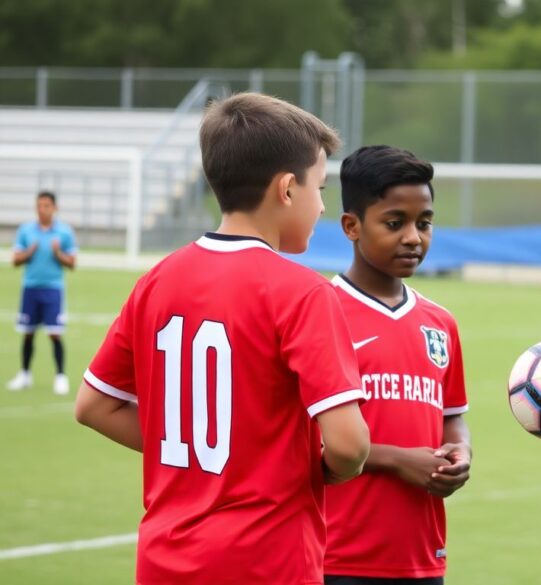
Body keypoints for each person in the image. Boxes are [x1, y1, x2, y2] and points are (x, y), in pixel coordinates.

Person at [73, 93, 371, 584]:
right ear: (287, 189)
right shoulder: (303, 292)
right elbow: (348, 444)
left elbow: (93, 406)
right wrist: (325, 468)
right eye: (320, 186)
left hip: (164, 562)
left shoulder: (157, 280)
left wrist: (197, 454)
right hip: (266, 562)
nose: (322, 206)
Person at [323, 145, 471, 585]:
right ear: (352, 225)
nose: (413, 237)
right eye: (395, 223)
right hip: (335, 555)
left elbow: (453, 417)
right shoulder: (319, 314)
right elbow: (296, 436)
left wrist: (460, 453)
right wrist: (395, 460)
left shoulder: (440, 323)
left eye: (424, 224)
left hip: (421, 556)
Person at [8, 190, 77, 394]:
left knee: (54, 333)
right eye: (39, 205)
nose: (42, 210)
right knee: (28, 333)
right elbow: (15, 260)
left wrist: (57, 253)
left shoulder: (64, 232)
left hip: (53, 289)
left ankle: (60, 376)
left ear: (54, 208)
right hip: (30, 287)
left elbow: (72, 263)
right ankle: (25, 374)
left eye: (46, 206)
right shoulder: (26, 230)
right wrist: (29, 252)